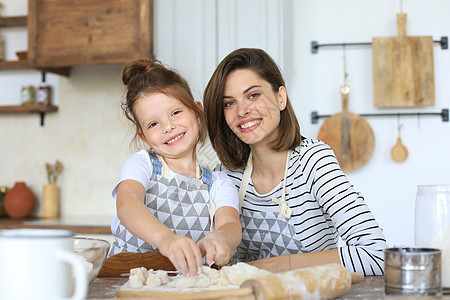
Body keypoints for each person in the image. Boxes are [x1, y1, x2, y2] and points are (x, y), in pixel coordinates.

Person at [203, 48, 388, 276]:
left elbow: (377, 254)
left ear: (281, 97)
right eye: (229, 103)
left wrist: (269, 267)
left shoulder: (313, 162)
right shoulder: (226, 175)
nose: (242, 111)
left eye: (253, 95)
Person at [110, 59, 242, 277]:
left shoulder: (219, 183)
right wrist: (166, 239)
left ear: (197, 113)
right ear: (143, 136)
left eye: (175, 112)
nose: (168, 127)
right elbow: (127, 204)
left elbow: (229, 224)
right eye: (153, 124)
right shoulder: (141, 164)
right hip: (127, 281)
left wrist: (220, 239)